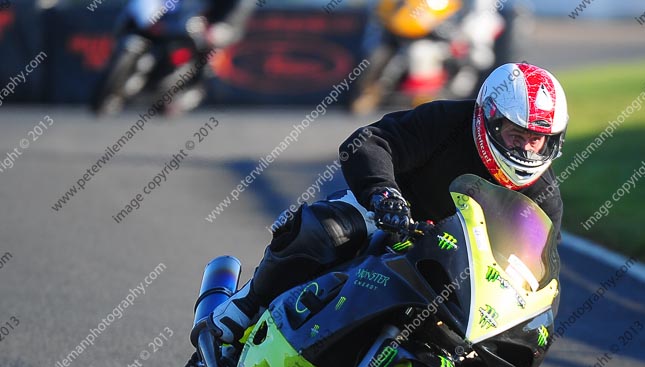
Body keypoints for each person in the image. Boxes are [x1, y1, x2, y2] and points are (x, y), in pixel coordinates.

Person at [199, 62, 568, 347]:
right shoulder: (446, 122)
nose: (525, 148)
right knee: (325, 229)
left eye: (537, 140)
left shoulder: (544, 196)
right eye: (516, 134)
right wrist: (384, 194)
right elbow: (370, 142)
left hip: (457, 269)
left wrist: (534, 317)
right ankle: (246, 306)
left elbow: (540, 267)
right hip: (391, 219)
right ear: (488, 117)